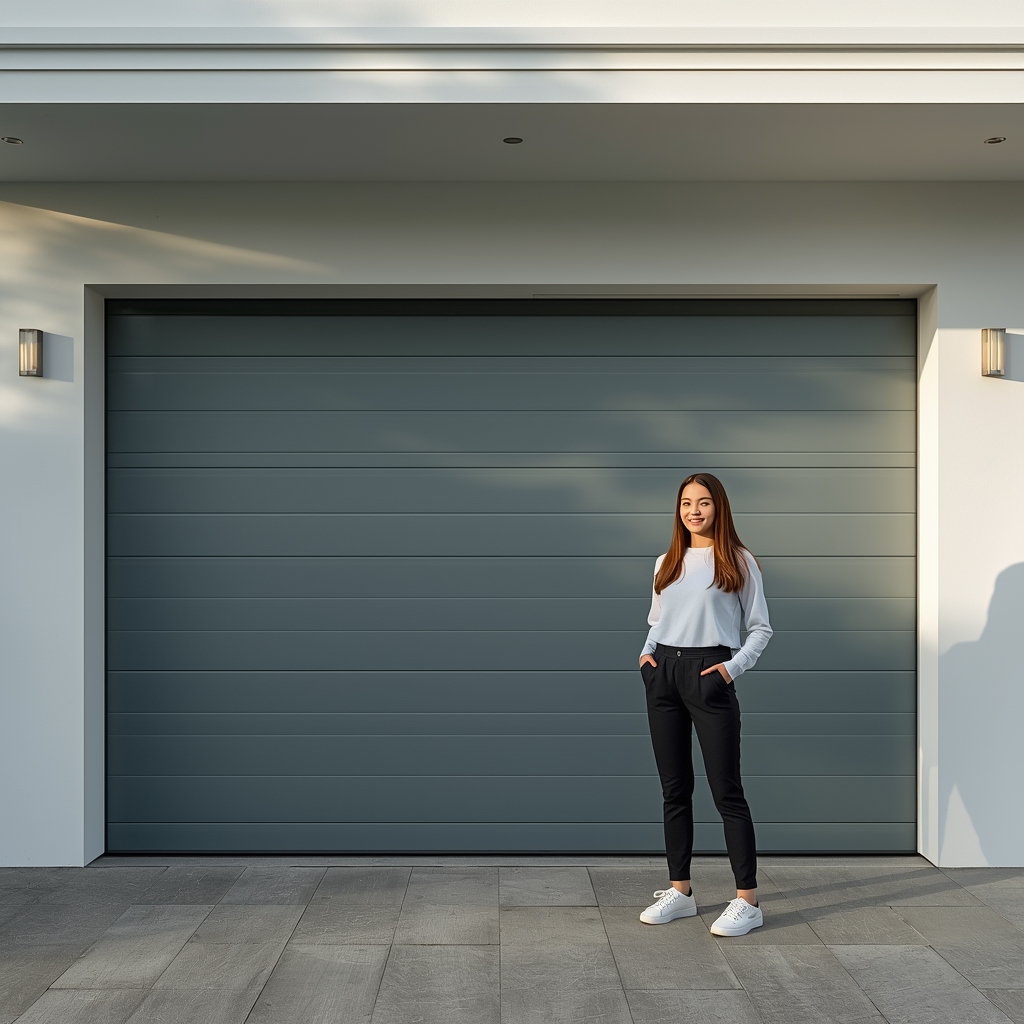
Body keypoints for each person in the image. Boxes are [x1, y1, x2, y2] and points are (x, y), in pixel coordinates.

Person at [637, 473, 772, 937]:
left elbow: (760, 628)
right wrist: (646, 657)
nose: (694, 510)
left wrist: (732, 669)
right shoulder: (666, 561)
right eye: (687, 503)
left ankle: (747, 902)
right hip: (664, 675)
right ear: (678, 510)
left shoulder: (738, 560)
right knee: (674, 790)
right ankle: (681, 892)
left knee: (726, 792)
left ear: (720, 507)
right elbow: (657, 621)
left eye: (704, 502)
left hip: (710, 673)